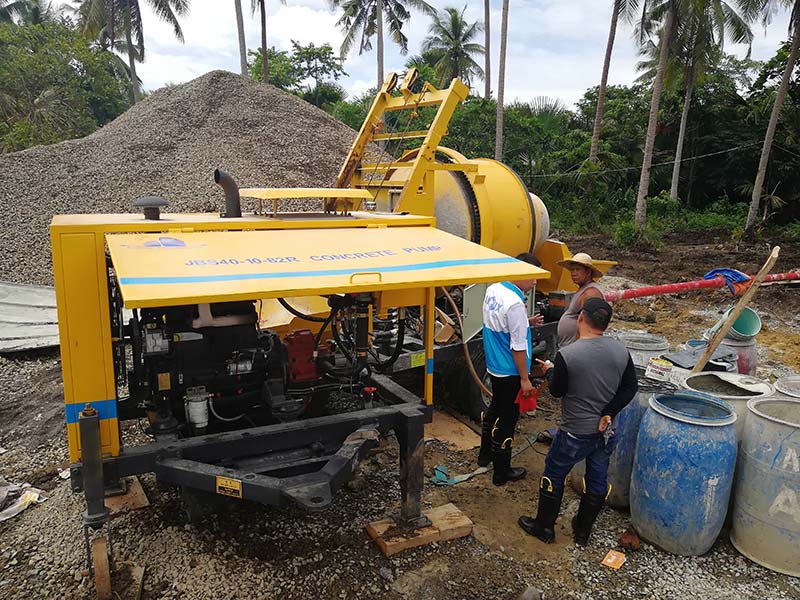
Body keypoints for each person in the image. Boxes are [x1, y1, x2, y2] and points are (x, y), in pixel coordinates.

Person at [518, 297, 638, 545]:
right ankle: (582, 532)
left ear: (581, 317)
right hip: (606, 432)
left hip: (574, 432)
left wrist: (550, 370)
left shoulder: (568, 355)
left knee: (554, 472)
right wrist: (608, 411)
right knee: (596, 479)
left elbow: (557, 391)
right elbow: (630, 388)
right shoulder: (621, 351)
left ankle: (544, 528)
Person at [477, 253, 543, 486]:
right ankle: (501, 472)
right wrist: (525, 379)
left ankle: (484, 456)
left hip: (495, 365)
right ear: (520, 271)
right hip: (511, 369)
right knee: (508, 419)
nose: (535, 283)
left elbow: (499, 323)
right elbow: (517, 346)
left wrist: (525, 322)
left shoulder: (494, 289)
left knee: (495, 408)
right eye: (533, 277)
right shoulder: (515, 304)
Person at [556, 253, 604, 347]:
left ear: (588, 272)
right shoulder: (583, 289)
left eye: (578, 269)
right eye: (572, 270)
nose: (573, 273)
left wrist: (578, 348)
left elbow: (588, 325)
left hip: (575, 347)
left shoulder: (590, 293)